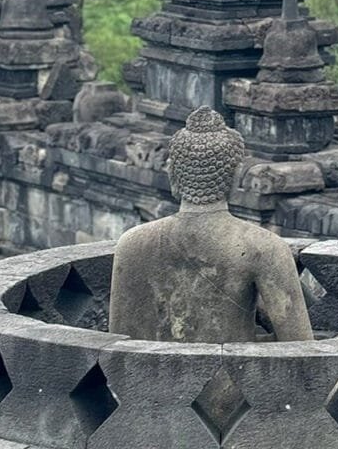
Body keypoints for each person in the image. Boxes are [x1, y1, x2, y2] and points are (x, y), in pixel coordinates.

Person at [109, 106, 314, 343]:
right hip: (233, 379)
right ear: (236, 177)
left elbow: (118, 347)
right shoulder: (265, 247)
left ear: (172, 174)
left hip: (148, 379)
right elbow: (302, 351)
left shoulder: (132, 243)